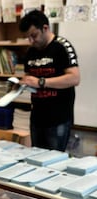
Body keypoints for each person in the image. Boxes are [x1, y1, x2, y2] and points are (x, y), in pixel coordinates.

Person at [19, 9, 80, 151]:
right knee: (36, 159)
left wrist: (41, 82)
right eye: (28, 37)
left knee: (54, 163)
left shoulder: (62, 46)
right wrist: (21, 83)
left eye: (34, 35)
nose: (31, 41)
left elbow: (75, 78)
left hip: (58, 118)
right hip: (37, 117)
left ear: (45, 28)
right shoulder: (31, 52)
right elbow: (29, 77)